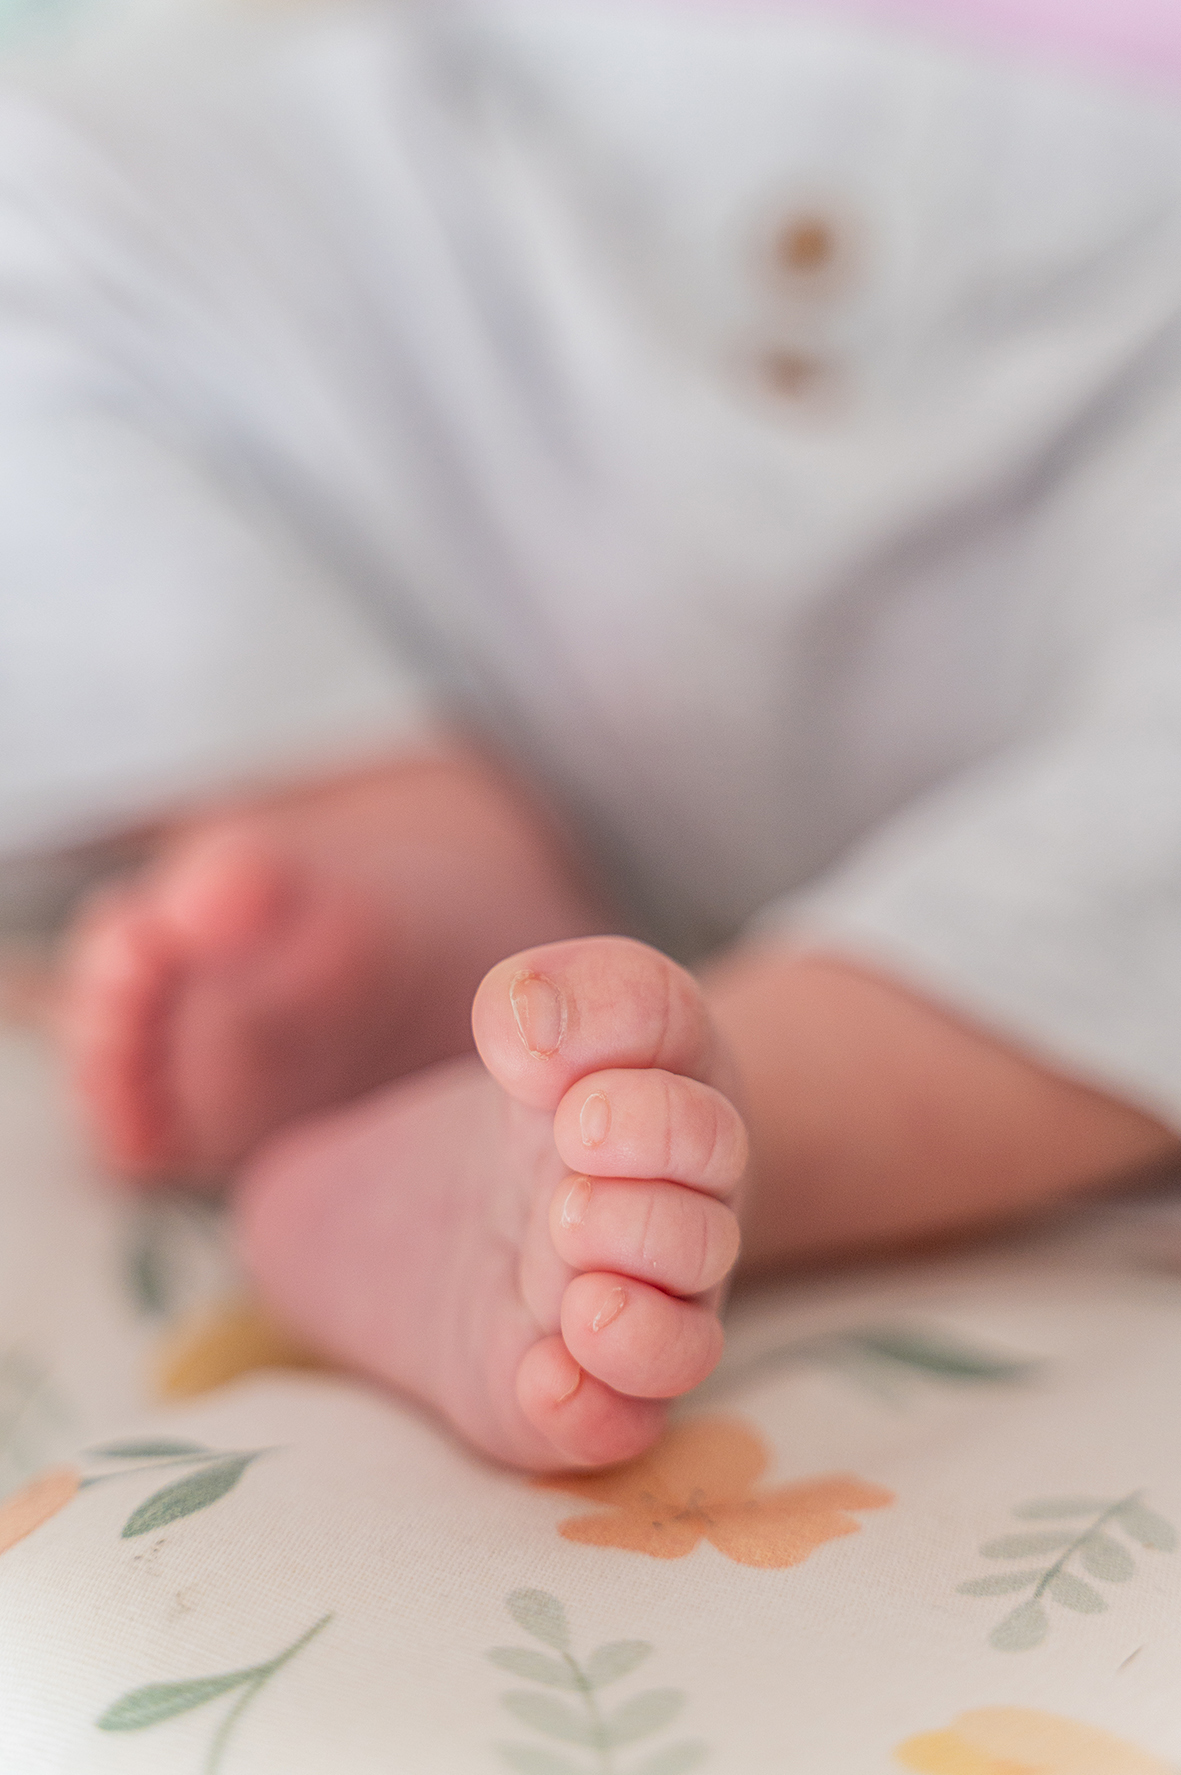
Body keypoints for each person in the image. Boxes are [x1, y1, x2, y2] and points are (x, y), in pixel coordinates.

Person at [7, 0, 1181, 1470]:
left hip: (1134, 317)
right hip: (549, 175)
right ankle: (414, 847)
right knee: (32, 209)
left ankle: (721, 1120)